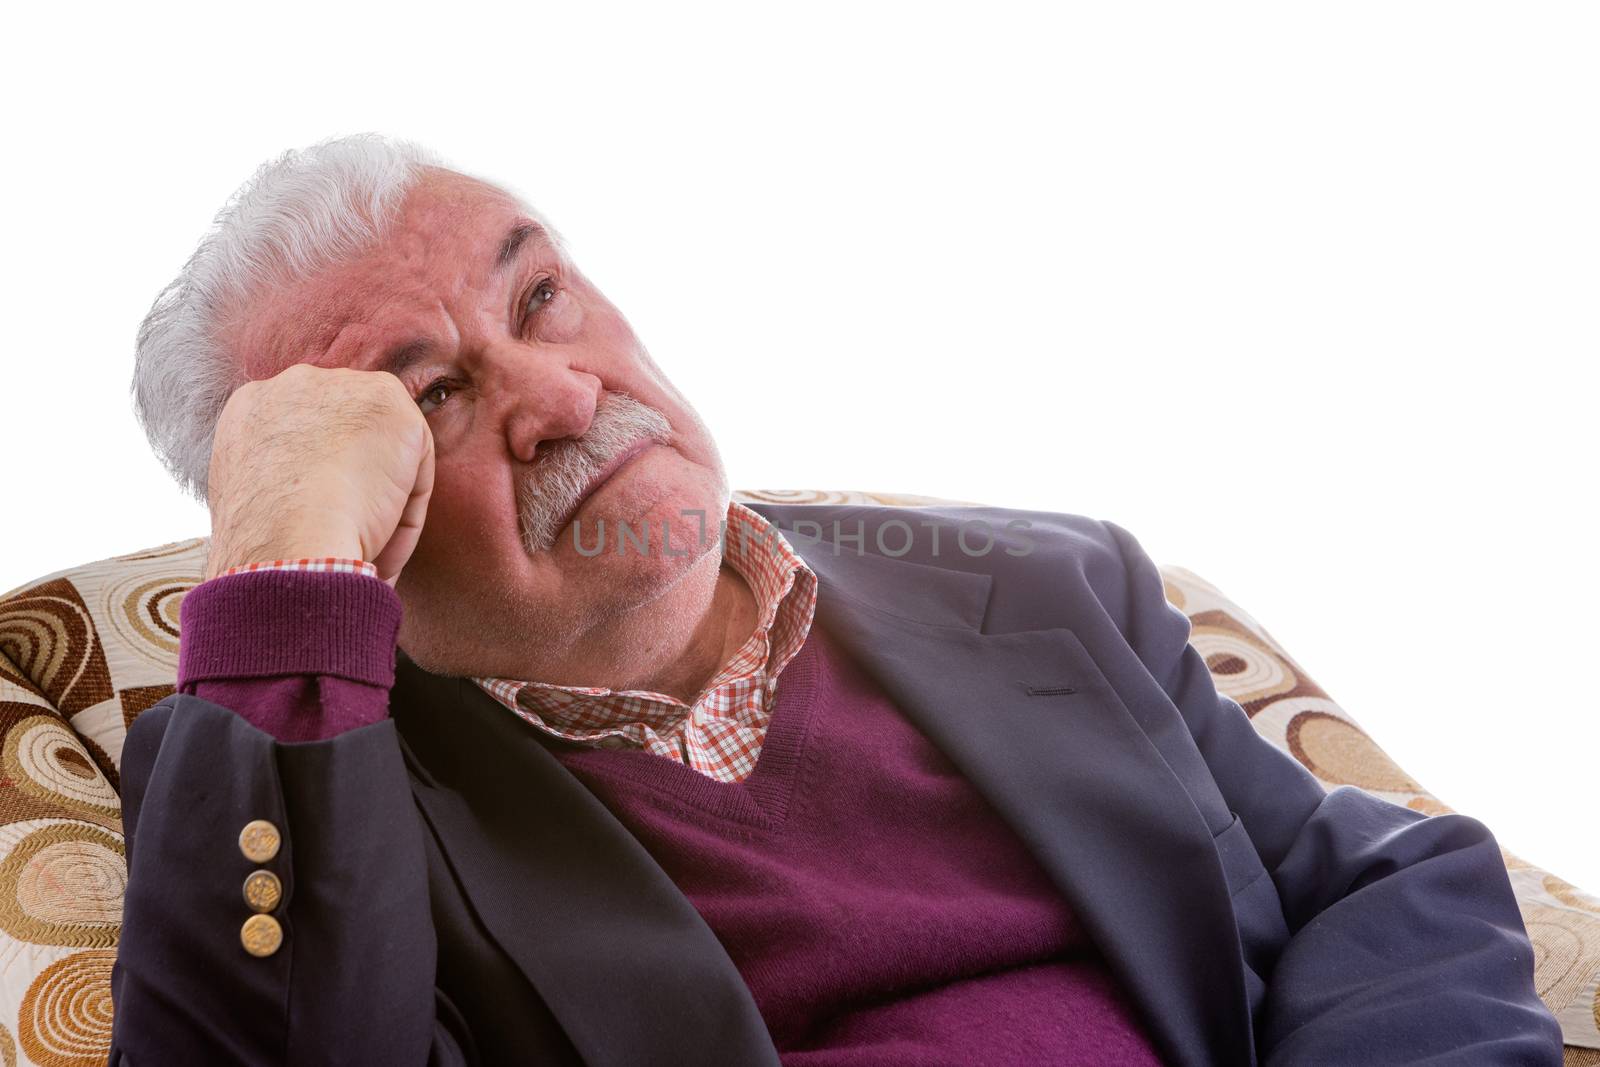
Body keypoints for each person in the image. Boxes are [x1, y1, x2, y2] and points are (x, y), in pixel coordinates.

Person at [108, 134, 1562, 1066]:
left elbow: (1373, 878)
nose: (562, 396)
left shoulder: (1042, 585)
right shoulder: (322, 782)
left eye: (541, 296)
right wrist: (289, 571)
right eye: (431, 397)